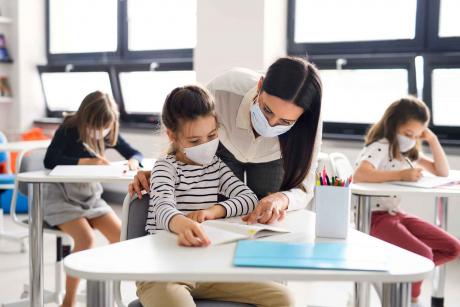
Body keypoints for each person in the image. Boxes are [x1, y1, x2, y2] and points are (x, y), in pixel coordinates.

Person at [137, 85, 294, 307]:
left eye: (212, 135)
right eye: (194, 141)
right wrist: (181, 223)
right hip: (163, 273)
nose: (206, 145)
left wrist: (213, 211)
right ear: (172, 135)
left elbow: (248, 199)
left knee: (284, 297)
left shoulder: (215, 166)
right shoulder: (165, 167)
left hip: (207, 268)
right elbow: (163, 207)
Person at [130, 56, 323, 224]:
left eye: (285, 121)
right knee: (216, 211)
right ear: (260, 86)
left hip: (273, 158)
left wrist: (281, 199)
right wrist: (167, 170)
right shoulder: (223, 89)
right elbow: (189, 128)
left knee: (265, 216)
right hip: (225, 149)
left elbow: (304, 188)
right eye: (267, 110)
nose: (270, 124)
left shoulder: (309, 123)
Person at [353, 96, 460, 304]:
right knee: (423, 254)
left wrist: (432, 139)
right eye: (408, 133)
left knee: (452, 248)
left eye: (417, 135)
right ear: (393, 125)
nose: (412, 139)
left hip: (395, 214)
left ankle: (396, 280)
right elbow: (360, 174)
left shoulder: (406, 152)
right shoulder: (380, 146)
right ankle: (410, 299)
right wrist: (400, 175)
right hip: (373, 218)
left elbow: (442, 171)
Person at [43, 91, 143, 307]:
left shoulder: (108, 132)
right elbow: (50, 160)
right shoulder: (68, 128)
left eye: (104, 127)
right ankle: (68, 302)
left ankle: (103, 291)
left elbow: (135, 153)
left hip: (91, 198)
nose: (100, 132)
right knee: (86, 239)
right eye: (96, 127)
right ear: (85, 118)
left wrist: (133, 162)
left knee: (121, 236)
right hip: (61, 197)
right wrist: (84, 162)